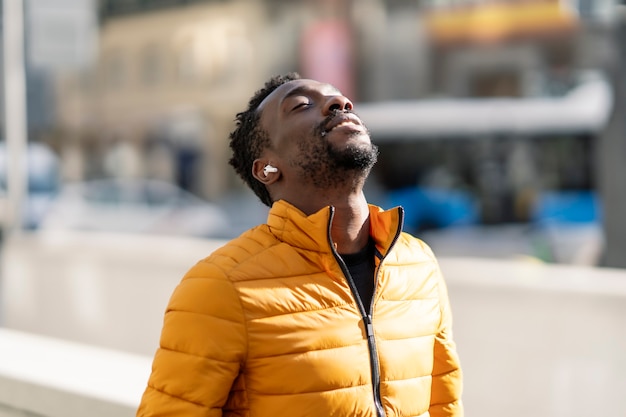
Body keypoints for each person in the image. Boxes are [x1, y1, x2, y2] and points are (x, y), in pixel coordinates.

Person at [136, 73, 463, 417]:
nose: (341, 104)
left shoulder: (417, 264)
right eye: (301, 105)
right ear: (266, 169)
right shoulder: (221, 285)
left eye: (342, 99)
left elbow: (445, 406)